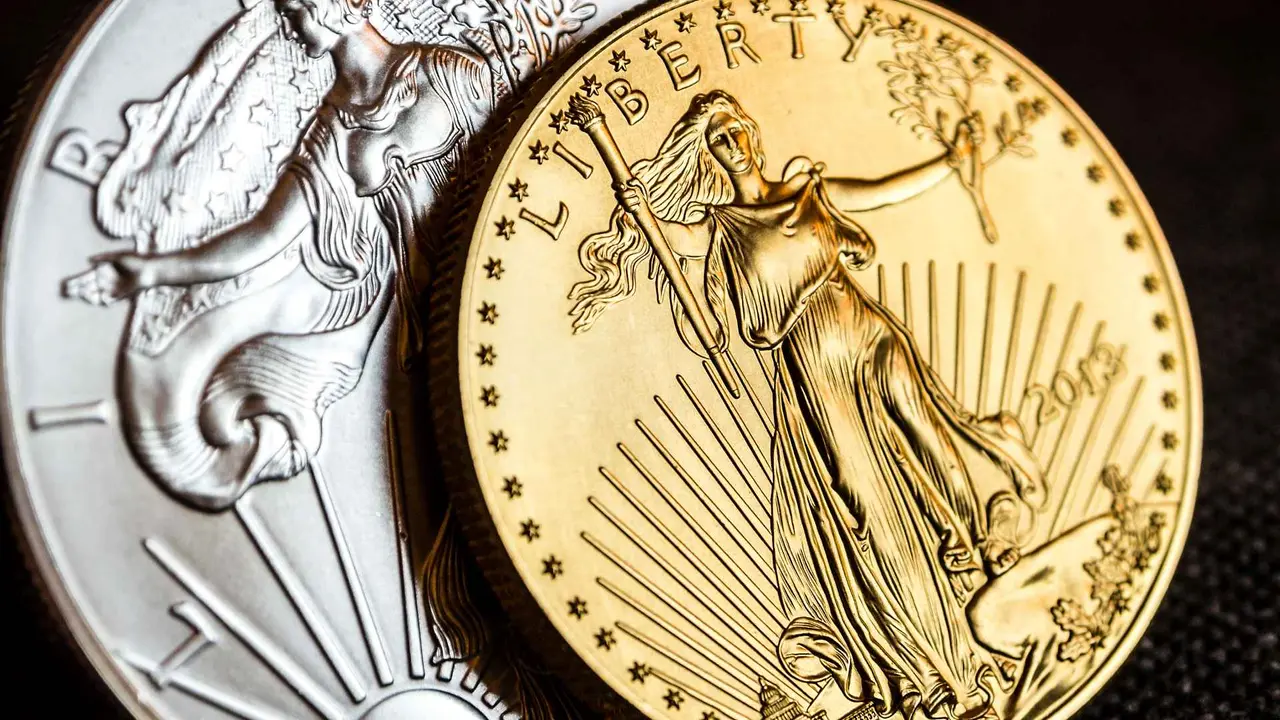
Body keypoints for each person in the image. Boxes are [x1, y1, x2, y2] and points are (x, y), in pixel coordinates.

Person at [568, 90, 1047, 719]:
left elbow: (882, 188)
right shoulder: (718, 227)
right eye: (717, 139)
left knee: (935, 443)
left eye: (735, 130)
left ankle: (984, 559)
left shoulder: (808, 195)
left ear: (752, 133)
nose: (731, 144)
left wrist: (949, 162)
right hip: (814, 363)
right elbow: (670, 242)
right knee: (864, 498)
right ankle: (930, 668)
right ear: (708, 154)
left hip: (870, 331)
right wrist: (637, 210)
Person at [61, 0, 498, 510]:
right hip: (355, 291)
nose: (287, 15)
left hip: (471, 291)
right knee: (238, 402)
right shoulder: (330, 125)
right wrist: (152, 272)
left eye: (298, 6)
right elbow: (265, 236)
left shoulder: (448, 75)